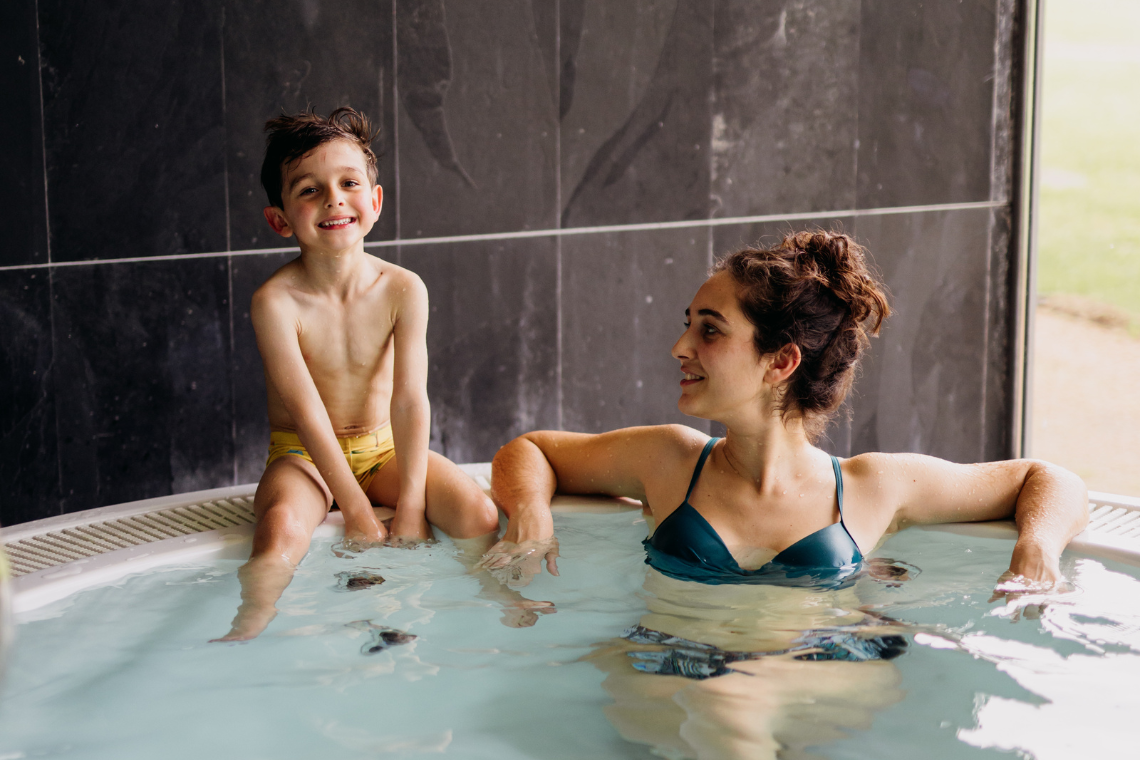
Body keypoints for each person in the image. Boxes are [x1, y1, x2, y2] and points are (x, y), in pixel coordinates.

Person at [482, 229, 1088, 592]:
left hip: (807, 687)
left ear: (781, 363)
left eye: (710, 331)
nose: (680, 348)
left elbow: (1050, 480)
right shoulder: (667, 461)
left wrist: (1037, 546)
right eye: (687, 325)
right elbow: (528, 450)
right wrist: (531, 512)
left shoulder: (872, 488)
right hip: (681, 676)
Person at [214, 108, 499, 642]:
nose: (333, 199)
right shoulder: (275, 302)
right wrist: (357, 511)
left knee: (478, 516)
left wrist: (410, 507)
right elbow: (306, 414)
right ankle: (248, 626)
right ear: (279, 219)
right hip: (303, 456)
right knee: (278, 536)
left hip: (385, 450)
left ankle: (491, 603)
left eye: (348, 183)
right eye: (309, 190)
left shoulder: (403, 288)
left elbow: (412, 400)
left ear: (375, 202)